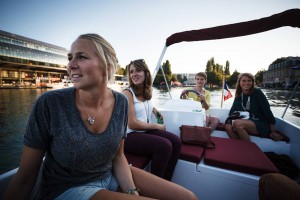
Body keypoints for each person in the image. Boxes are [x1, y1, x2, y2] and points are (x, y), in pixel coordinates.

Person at [4, 34, 197, 200]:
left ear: (107, 65)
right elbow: (25, 177)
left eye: (81, 57)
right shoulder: (49, 104)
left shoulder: (120, 102)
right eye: (70, 58)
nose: (70, 65)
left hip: (108, 175)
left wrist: (132, 193)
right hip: (65, 189)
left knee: (188, 197)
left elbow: (118, 156)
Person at [123, 59, 182, 181]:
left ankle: (167, 181)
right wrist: (157, 126)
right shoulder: (127, 93)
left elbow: (141, 105)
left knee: (176, 141)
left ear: (146, 73)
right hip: (129, 136)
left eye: (138, 70)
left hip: (143, 131)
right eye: (131, 71)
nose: (134, 74)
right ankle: (157, 185)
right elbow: (132, 124)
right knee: (164, 146)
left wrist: (154, 110)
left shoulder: (146, 91)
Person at [225, 73, 282, 141]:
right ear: (239, 82)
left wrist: (273, 131)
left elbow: (267, 112)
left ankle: (248, 149)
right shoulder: (239, 95)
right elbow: (232, 111)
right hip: (245, 121)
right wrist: (228, 122)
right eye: (244, 80)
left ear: (252, 82)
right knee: (228, 127)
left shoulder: (257, 93)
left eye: (249, 81)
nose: (246, 83)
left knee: (238, 123)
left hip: (260, 123)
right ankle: (239, 147)